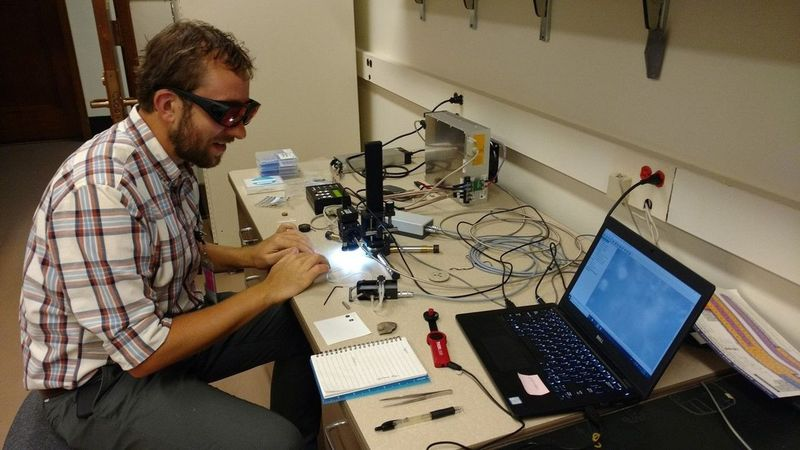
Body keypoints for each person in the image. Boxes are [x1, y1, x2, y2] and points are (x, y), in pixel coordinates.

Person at [18, 20, 329, 449]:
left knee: (301, 322)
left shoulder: (168, 158)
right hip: (102, 383)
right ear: (168, 105)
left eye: (246, 112)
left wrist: (251, 257)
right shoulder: (99, 192)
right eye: (227, 113)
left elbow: (171, 247)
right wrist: (267, 290)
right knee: (276, 441)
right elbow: (143, 352)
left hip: (163, 325)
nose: (239, 130)